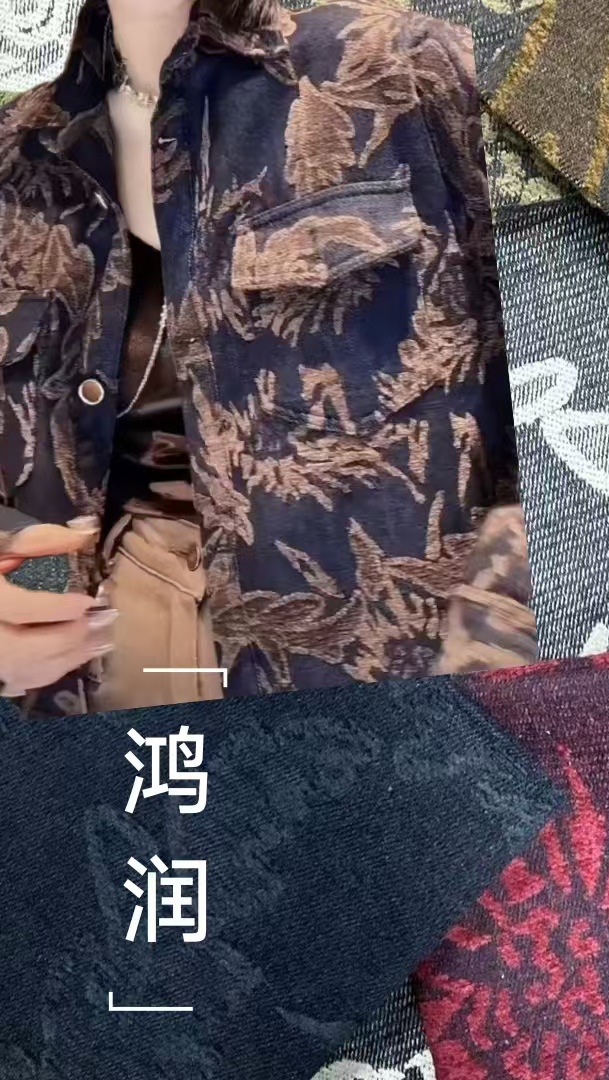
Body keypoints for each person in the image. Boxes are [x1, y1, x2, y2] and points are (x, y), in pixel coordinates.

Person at [0, 0, 529, 714]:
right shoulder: (19, 159)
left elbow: (580, 377)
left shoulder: (404, 71)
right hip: (106, 659)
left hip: (381, 676)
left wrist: (500, 659)